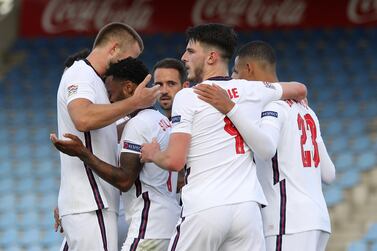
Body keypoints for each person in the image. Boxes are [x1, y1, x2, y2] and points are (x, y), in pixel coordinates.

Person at [140, 23, 307, 251]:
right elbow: (299, 88)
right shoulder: (253, 89)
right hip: (247, 211)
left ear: (211, 57)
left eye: (190, 51)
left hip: (206, 208)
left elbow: (175, 161)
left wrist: (152, 154)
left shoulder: (189, 96)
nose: (183, 57)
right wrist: (300, 97)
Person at [196, 41, 336, 251]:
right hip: (319, 221)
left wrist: (231, 108)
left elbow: (266, 149)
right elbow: (329, 174)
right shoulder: (308, 111)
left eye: (235, 72)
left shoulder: (271, 105)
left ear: (248, 69)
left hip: (287, 220)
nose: (233, 79)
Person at [52, 57, 180, 251]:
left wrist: (83, 153)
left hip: (148, 227)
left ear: (128, 88)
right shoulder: (161, 121)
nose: (109, 100)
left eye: (110, 93)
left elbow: (125, 180)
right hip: (168, 222)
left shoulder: (138, 124)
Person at [152, 58, 190, 195]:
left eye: (171, 84)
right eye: (159, 84)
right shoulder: (155, 123)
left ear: (185, 87)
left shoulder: (197, 122)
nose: (164, 90)